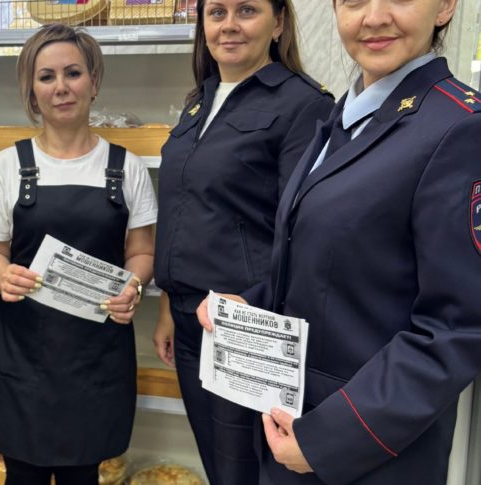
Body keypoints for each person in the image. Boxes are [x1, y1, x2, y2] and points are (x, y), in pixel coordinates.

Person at [197, 0, 481, 483]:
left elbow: (458, 326)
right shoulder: (345, 116)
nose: (374, 17)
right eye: (353, 0)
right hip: (292, 424)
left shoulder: (460, 128)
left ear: (445, 7)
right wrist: (251, 304)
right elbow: (324, 264)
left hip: (367, 451)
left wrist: (329, 439)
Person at [0, 24, 157, 485]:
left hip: (96, 360)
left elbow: (142, 250)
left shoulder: (126, 168)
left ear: (94, 81)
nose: (61, 87)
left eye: (73, 73)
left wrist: (134, 285)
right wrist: (0, 275)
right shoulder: (7, 167)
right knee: (22, 474)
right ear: (32, 91)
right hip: (21, 357)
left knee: (84, 474)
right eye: (46, 77)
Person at [152, 0, 333, 482]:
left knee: (244, 471)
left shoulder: (304, 104)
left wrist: (254, 304)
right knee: (217, 463)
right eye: (217, 13)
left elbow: (305, 230)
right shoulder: (201, 100)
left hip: (246, 321)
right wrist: (169, 305)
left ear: (278, 23)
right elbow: (184, 208)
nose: (229, 25)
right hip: (191, 318)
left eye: (246, 10)